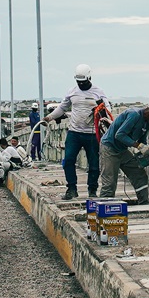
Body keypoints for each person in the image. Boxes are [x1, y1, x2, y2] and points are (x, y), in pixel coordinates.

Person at [46, 64, 108, 201]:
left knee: (93, 163)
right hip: (74, 133)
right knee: (68, 160)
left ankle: (92, 189)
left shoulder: (98, 92)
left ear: (89, 78)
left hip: (92, 134)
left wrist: (101, 113)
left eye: (83, 82)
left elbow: (107, 111)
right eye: (78, 82)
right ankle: (71, 189)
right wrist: (50, 117)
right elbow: (62, 108)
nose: (81, 84)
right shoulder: (72, 91)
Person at [98, 100, 149, 203]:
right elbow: (119, 135)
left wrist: (146, 154)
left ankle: (143, 203)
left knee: (139, 174)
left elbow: (142, 141)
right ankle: (104, 211)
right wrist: (138, 145)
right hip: (110, 148)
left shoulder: (147, 123)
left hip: (122, 150)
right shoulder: (134, 115)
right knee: (109, 182)